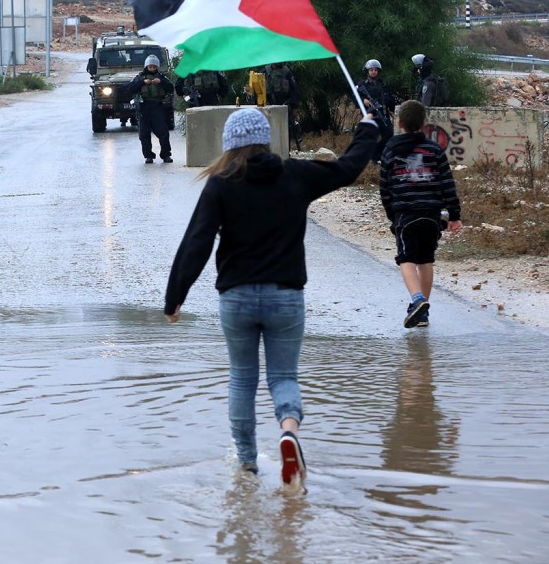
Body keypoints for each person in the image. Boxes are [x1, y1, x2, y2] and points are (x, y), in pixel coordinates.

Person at [164, 108, 379, 485]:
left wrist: (176, 295)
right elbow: (346, 170)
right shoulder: (295, 174)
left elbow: (197, 240)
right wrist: (366, 130)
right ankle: (289, 432)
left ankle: (247, 462)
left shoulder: (221, 183)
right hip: (286, 296)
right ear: (266, 139)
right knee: (283, 376)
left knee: (243, 380)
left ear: (229, 144)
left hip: (237, 297)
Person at [379, 100, 463, 328]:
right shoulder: (434, 150)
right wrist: (454, 215)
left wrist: (391, 214)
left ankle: (417, 299)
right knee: (426, 260)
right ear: (424, 123)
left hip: (405, 214)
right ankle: (423, 313)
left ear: (400, 123)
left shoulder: (391, 149)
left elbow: (384, 187)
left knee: (406, 259)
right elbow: (447, 183)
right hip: (432, 215)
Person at [126, 55, 175, 164]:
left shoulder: (161, 77)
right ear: (146, 67)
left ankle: (166, 154)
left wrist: (161, 82)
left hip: (157, 106)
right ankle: (148, 155)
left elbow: (171, 88)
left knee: (163, 132)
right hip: (144, 107)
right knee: (144, 134)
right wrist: (143, 82)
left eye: (154, 67)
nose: (152, 69)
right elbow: (130, 88)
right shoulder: (140, 77)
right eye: (150, 67)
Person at [356, 59, 396, 163]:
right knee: (370, 138)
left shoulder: (383, 85)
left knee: (389, 135)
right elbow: (354, 97)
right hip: (369, 116)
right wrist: (363, 100)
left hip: (382, 114)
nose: (373, 72)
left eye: (375, 70)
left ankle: (377, 154)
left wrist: (391, 108)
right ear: (367, 71)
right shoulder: (361, 85)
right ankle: (371, 158)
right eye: (371, 70)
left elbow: (391, 99)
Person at [265, 63, 303, 151]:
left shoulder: (286, 72)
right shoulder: (266, 71)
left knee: (287, 128)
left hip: (285, 104)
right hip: (269, 104)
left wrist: (294, 106)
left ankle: (286, 151)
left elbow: (294, 90)